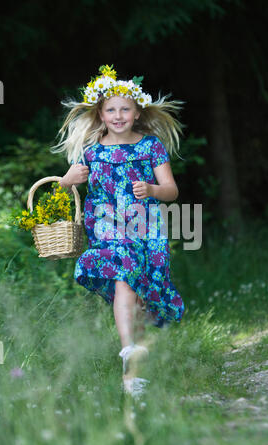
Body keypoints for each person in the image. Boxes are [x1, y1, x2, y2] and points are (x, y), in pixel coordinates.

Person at [50, 65, 185, 398]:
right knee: (125, 278)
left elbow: (171, 190)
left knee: (138, 290)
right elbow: (62, 192)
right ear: (101, 113)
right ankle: (129, 354)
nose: (118, 115)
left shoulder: (151, 147)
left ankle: (135, 366)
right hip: (107, 229)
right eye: (111, 109)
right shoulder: (91, 152)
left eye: (125, 109)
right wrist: (68, 181)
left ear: (137, 113)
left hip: (146, 228)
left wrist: (152, 190)